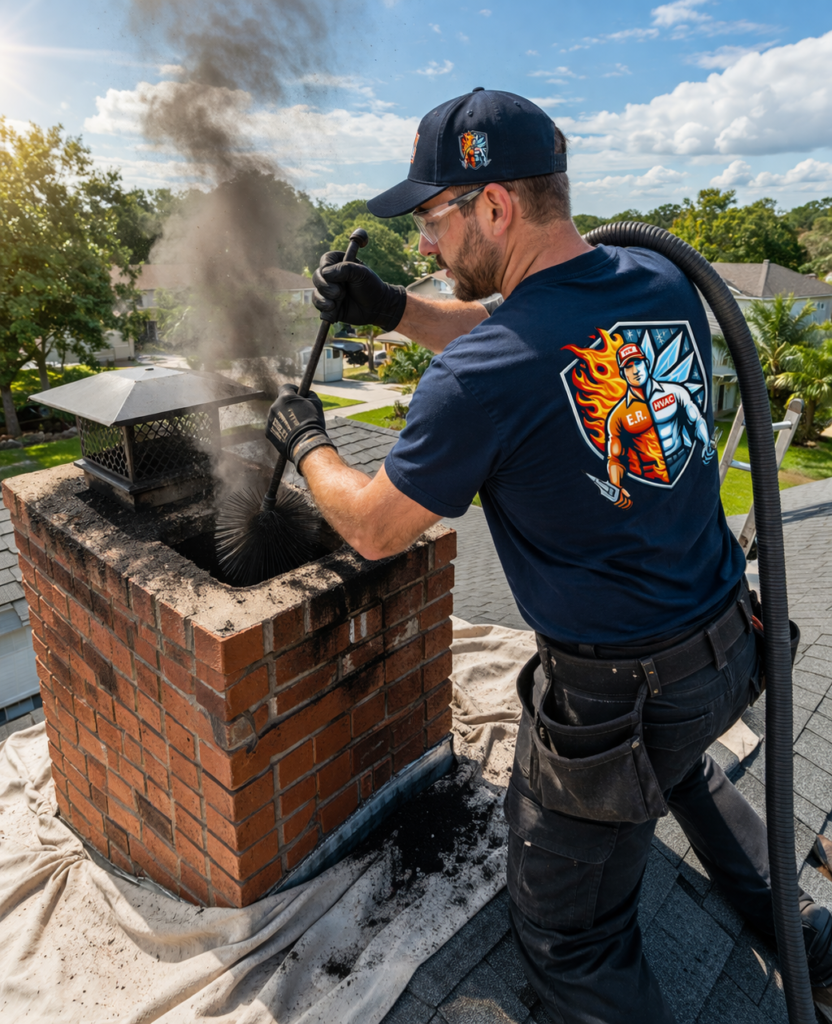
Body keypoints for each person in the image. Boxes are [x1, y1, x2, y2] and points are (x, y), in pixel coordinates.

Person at [264, 88, 832, 1022]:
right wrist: (390, 308)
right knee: (682, 765)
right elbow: (525, 333)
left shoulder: (478, 382)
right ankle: (805, 935)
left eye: (434, 218)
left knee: (572, 935)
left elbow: (372, 525)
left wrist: (306, 445)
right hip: (731, 643)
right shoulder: (655, 281)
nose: (426, 244)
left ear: (495, 205)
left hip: (621, 701)